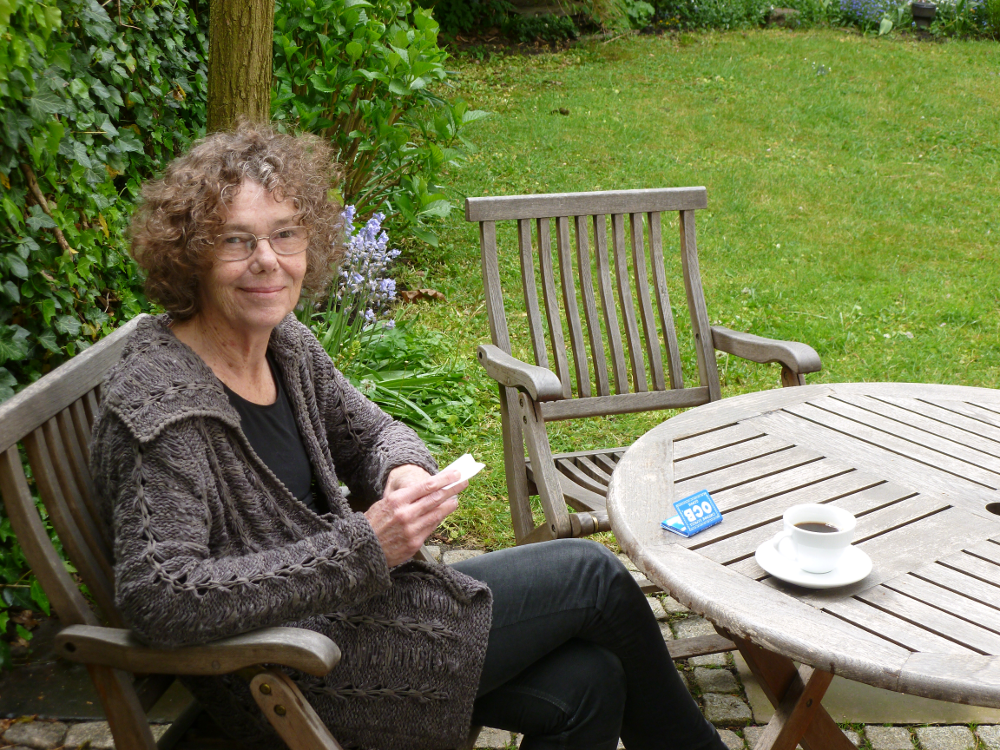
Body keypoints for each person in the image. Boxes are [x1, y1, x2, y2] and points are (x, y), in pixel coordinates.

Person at [90, 122, 727, 750]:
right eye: (237, 240)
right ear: (191, 254)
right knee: (591, 574)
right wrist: (364, 547)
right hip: (291, 667)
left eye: (285, 234)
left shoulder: (286, 348)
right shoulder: (162, 408)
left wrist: (403, 471)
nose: (267, 260)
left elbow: (374, 432)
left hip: (354, 614)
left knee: (590, 681)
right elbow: (160, 597)